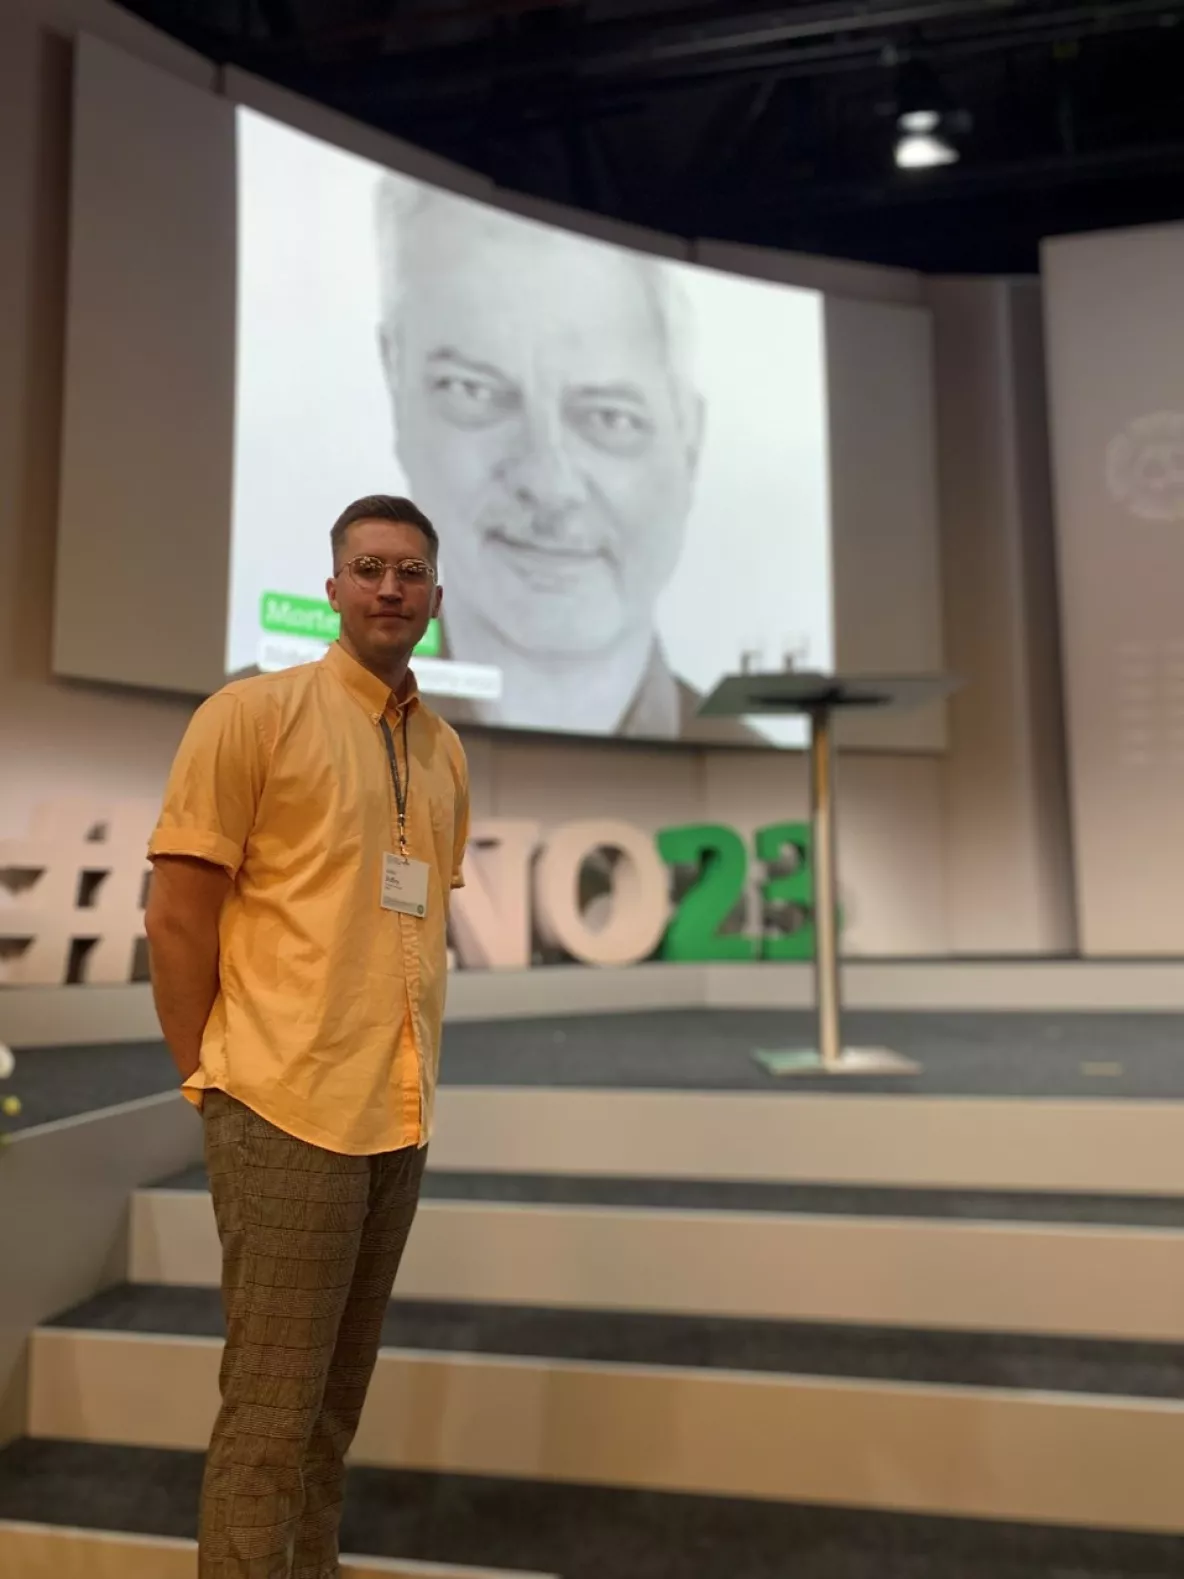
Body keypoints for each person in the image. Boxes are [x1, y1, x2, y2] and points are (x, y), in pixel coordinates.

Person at [145, 494, 469, 1578]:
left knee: (330, 1418)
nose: (389, 588)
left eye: (410, 573)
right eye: (369, 568)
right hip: (284, 1109)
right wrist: (206, 1073)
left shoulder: (441, 752)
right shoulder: (250, 716)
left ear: (434, 598)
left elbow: (411, 916)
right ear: (331, 589)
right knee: (270, 1422)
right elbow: (179, 914)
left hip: (396, 1116)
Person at [375, 177, 758, 745]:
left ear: (690, 442)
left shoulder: (758, 768)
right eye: (474, 391)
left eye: (610, 419)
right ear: (395, 382)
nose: (549, 484)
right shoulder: (272, 741)